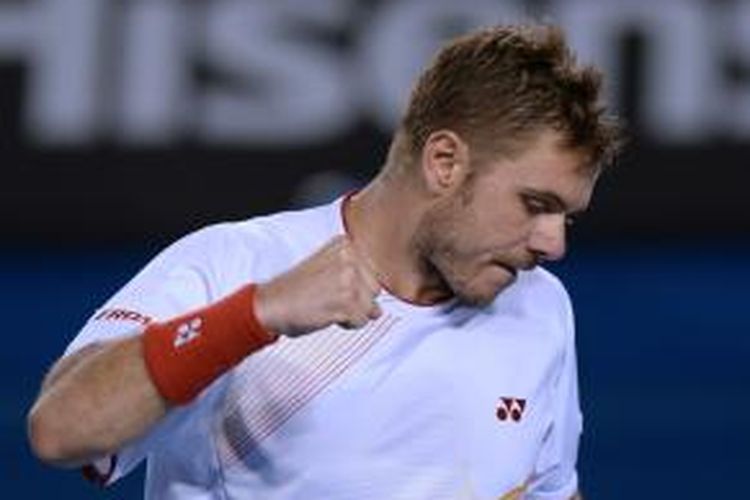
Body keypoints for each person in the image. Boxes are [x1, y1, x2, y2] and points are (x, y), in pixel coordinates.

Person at [27, 24, 621, 499]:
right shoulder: (237, 264)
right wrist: (257, 314)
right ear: (445, 162)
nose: (553, 244)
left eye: (565, 217)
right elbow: (61, 430)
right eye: (535, 205)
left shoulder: (539, 305)